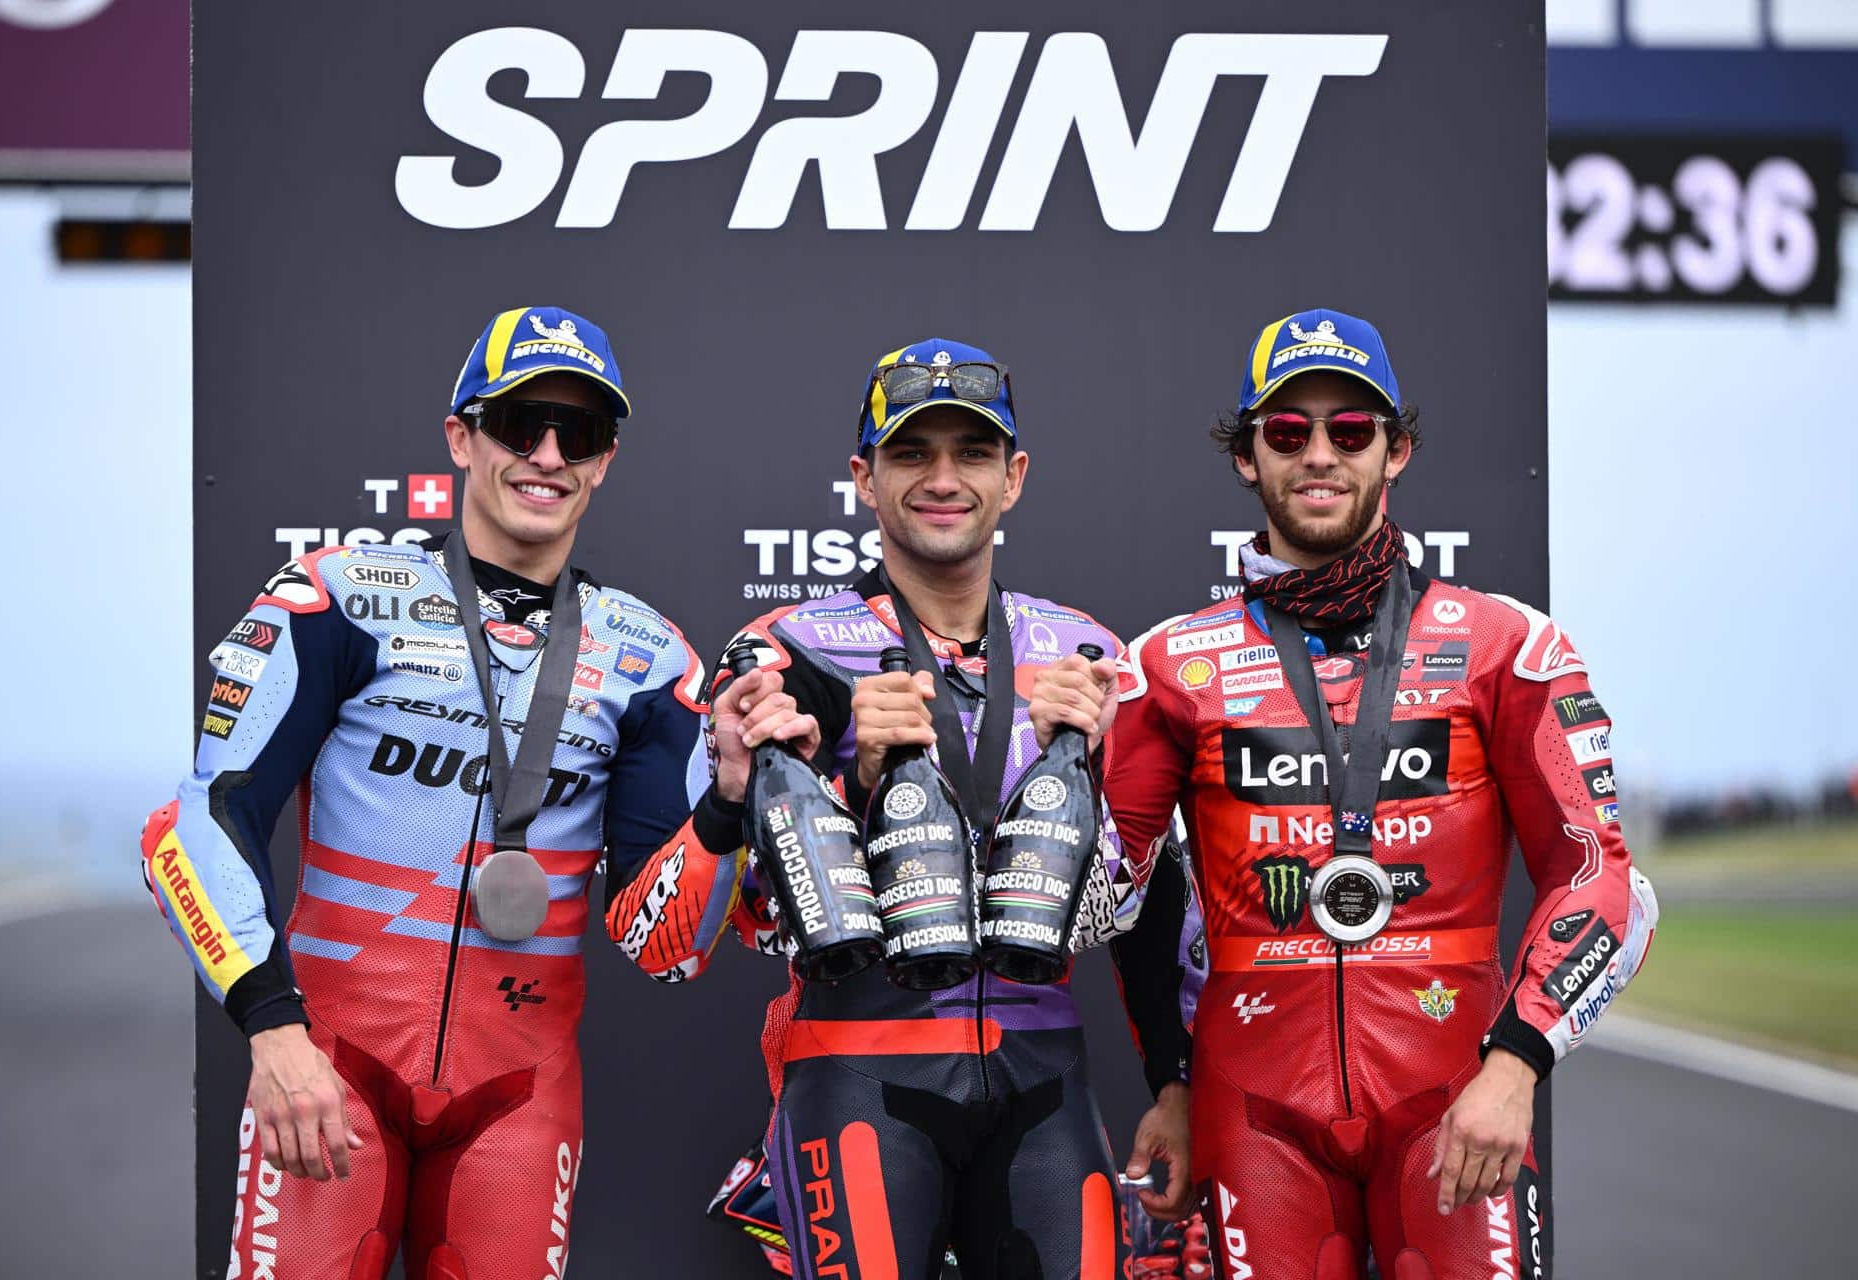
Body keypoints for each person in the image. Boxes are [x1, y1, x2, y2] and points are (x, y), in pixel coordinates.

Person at [139, 305, 717, 1278]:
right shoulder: (337, 597)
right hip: (328, 1066)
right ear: (461, 435)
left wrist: (731, 805)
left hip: (520, 1096)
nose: (546, 453)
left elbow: (665, 945)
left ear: (606, 458)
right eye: (518, 420)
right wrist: (274, 1028)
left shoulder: (650, 659)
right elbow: (195, 823)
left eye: (577, 432)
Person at [605, 338, 1194, 1279]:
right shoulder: (784, 652)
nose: (944, 478)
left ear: (1016, 477)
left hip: (1047, 1085)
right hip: (861, 1079)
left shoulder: (1084, 651)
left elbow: (1143, 905)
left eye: (974, 452)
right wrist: (851, 790)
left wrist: (1175, 1080)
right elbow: (668, 945)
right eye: (912, 453)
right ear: (864, 479)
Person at [1104, 308, 1659, 1280]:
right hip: (1252, 1108)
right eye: (1288, 431)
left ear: (1394, 449)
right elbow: (1127, 895)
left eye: (1349, 430)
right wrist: (1170, 1083)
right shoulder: (1168, 663)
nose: (1319, 454)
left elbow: (1601, 877)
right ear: (1248, 458)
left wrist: (1518, 1060)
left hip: (1454, 1096)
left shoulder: (1506, 646)